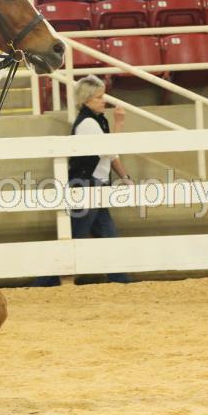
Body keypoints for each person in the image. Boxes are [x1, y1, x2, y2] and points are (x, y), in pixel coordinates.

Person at [68, 75, 131, 283]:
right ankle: (47, 281)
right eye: (99, 97)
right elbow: (109, 150)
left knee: (107, 234)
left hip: (96, 185)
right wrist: (119, 123)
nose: (103, 101)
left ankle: (119, 278)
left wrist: (125, 177)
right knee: (76, 236)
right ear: (86, 100)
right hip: (87, 186)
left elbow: (110, 156)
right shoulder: (88, 123)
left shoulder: (97, 120)